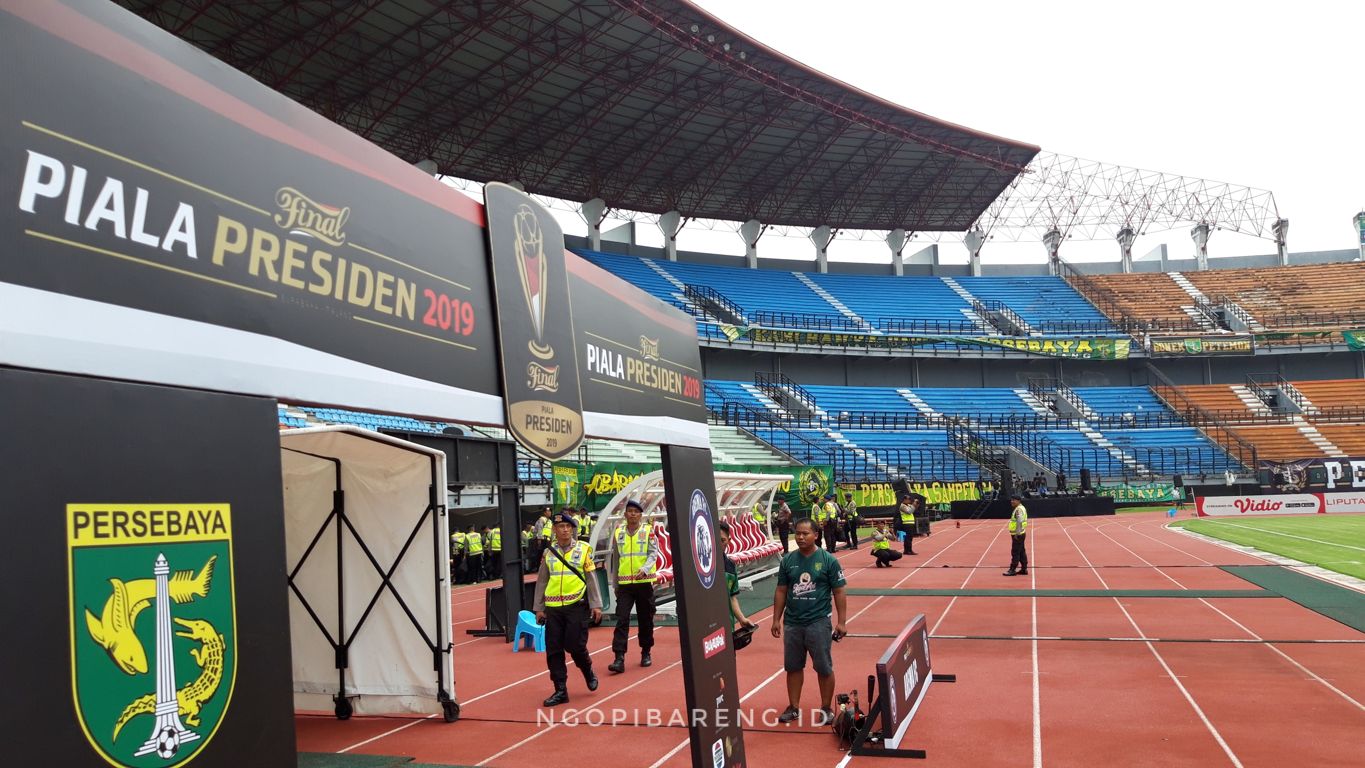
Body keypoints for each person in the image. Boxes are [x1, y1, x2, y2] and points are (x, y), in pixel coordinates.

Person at [771, 518, 847, 725]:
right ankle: (793, 707)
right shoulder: (787, 561)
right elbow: (781, 591)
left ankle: (825, 709)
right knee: (793, 666)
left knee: (823, 666)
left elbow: (839, 591)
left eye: (805, 533)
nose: (801, 537)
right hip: (793, 623)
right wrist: (776, 619)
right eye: (798, 533)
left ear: (816, 535)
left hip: (818, 621)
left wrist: (842, 622)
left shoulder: (828, 560)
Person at [533, 511, 602, 706]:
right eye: (560, 527)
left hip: (576, 606)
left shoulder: (583, 549)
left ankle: (587, 669)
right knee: (553, 650)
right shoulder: (548, 553)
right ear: (554, 530)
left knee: (575, 646)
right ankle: (560, 689)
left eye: (567, 527)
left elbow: (591, 578)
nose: (564, 530)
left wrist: (595, 605)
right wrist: (539, 608)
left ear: (572, 529)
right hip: (553, 607)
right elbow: (542, 581)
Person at [607, 499, 658, 673]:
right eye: (629, 511)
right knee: (622, 619)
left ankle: (646, 651)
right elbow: (616, 559)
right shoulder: (619, 532)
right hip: (625, 585)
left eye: (636, 512)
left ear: (640, 515)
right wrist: (615, 584)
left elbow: (653, 554)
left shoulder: (648, 531)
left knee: (645, 618)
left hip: (643, 582)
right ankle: (619, 657)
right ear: (625, 514)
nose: (633, 514)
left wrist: (644, 569)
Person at [718, 520, 757, 633]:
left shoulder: (730, 566)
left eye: (722, 540)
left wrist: (742, 619)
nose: (718, 543)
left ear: (729, 541)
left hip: (727, 627)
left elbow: (732, 597)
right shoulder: (699, 567)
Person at [1002, 495, 1029, 576]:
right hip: (1021, 533)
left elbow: (1019, 521)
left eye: (1014, 500)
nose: (1012, 501)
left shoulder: (1018, 510)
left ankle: (1012, 569)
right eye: (1011, 500)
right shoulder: (1022, 508)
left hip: (1018, 534)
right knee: (1021, 551)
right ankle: (1024, 569)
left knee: (1015, 552)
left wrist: (1017, 533)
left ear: (1019, 501)